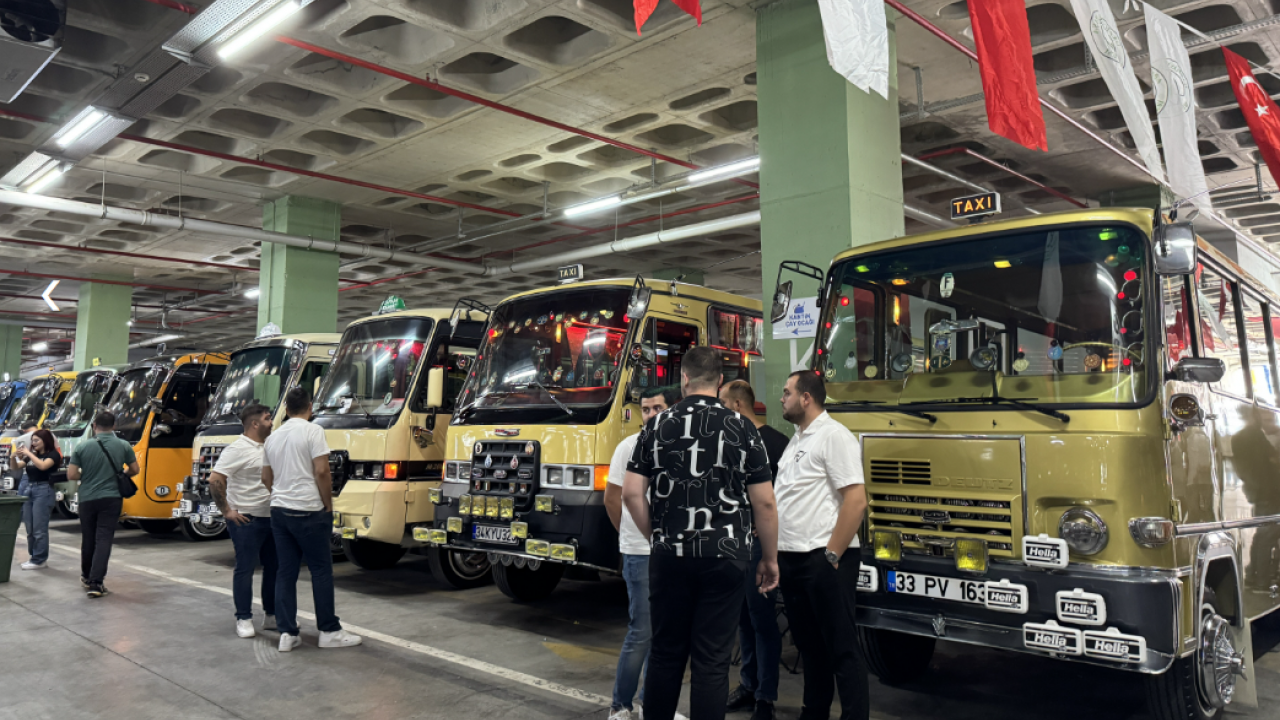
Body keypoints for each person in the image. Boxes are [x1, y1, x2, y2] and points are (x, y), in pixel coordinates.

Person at [623, 346, 780, 720]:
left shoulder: (656, 425)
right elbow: (766, 504)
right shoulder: (742, 427)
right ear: (721, 381)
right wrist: (770, 559)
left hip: (670, 556)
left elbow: (631, 492)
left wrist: (656, 537)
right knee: (711, 662)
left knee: (665, 654)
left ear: (684, 379)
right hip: (725, 557)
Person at [774, 371, 869, 720]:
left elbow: (856, 501)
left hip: (824, 559)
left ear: (806, 398)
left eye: (787, 392)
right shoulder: (797, 440)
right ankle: (814, 713)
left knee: (842, 648)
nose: (781, 398)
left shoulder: (834, 436)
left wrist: (831, 555)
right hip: (793, 559)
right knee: (811, 648)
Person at [604, 385, 681, 720]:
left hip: (674, 553)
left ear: (673, 409)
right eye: (646, 409)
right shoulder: (628, 447)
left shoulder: (681, 446)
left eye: (657, 408)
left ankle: (654, 705)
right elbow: (612, 498)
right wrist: (630, 537)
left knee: (667, 633)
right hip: (641, 554)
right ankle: (621, 706)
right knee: (642, 631)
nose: (650, 415)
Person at [262, 387, 360, 652]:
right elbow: (322, 471)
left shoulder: (273, 437)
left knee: (286, 571)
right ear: (309, 406)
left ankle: (287, 633)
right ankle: (328, 630)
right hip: (309, 510)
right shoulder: (313, 431)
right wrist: (327, 503)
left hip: (279, 511)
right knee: (320, 570)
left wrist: (279, 495)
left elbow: (265, 477)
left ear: (287, 409)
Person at [718, 381, 791, 720]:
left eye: (722, 404)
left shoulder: (778, 445)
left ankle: (765, 696)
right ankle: (748, 684)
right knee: (744, 621)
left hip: (762, 543)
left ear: (736, 404)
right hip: (735, 542)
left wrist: (771, 553)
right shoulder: (729, 440)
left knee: (762, 621)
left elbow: (780, 503)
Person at [209, 402, 278, 639]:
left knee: (274, 568)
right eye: (268, 418)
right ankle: (244, 617)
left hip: (273, 517)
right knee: (245, 568)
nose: (272, 422)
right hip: (247, 519)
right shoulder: (237, 449)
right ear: (255, 423)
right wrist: (227, 510)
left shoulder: (272, 445)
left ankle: (271, 615)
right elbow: (215, 479)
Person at [67, 411, 139, 598]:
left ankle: (85, 575)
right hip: (111, 498)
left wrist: (89, 475)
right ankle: (96, 583)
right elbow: (134, 469)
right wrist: (118, 475)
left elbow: (72, 475)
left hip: (87, 498)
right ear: (114, 426)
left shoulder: (82, 447)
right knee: (104, 538)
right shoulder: (123, 445)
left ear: (94, 425)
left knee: (88, 538)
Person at [13, 428, 61, 570]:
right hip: (29, 489)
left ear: (45, 441)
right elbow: (16, 467)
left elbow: (43, 465)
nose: (33, 443)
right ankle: (34, 557)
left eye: (36, 441)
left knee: (39, 528)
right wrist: (13, 457)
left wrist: (28, 453)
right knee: (30, 527)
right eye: (32, 441)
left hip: (43, 490)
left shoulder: (53, 455)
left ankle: (39, 559)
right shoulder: (32, 455)